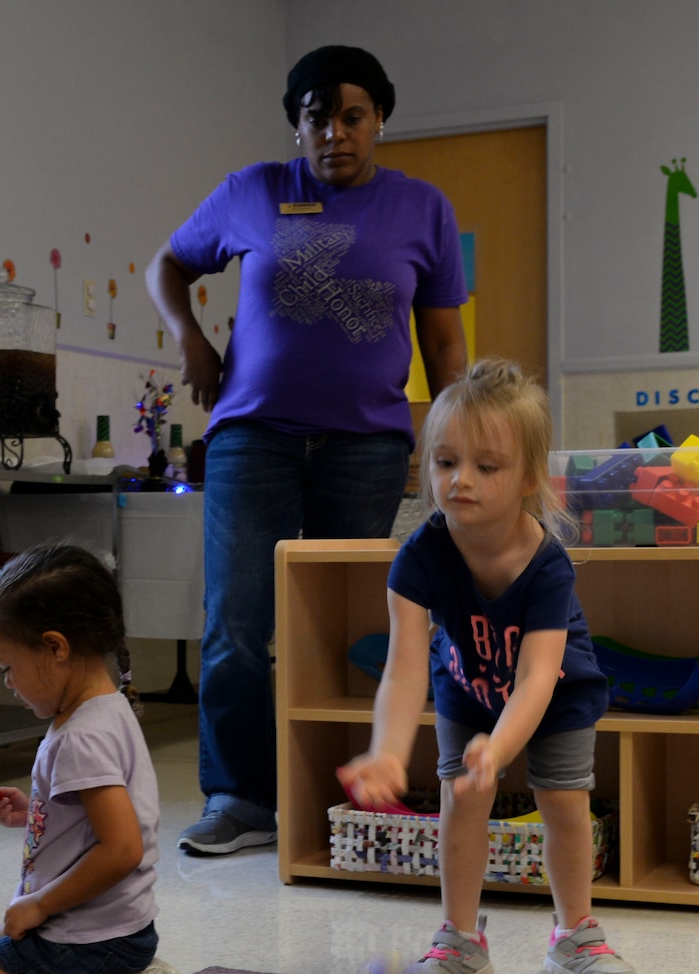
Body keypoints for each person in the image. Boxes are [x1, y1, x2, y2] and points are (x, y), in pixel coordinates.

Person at [148, 44, 469, 856]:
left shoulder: (423, 209)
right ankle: (240, 796)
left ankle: (347, 786)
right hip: (252, 439)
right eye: (316, 117)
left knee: (346, 622)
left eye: (351, 116)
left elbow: (443, 340)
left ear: (379, 120)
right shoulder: (251, 191)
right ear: (297, 125)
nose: (334, 132)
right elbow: (169, 265)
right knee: (237, 624)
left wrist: (459, 443)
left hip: (366, 444)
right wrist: (190, 338)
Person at [338, 360, 638, 974]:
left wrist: (499, 751)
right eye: (445, 463)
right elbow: (403, 666)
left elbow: (535, 676)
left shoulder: (548, 563)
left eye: (486, 466)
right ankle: (460, 940)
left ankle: (575, 934)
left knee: (562, 801)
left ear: (528, 478)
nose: (460, 480)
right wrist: (388, 752)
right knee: (463, 800)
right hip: (467, 685)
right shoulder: (419, 557)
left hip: (555, 693)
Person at [0, 544, 188, 974]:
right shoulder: (101, 709)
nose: (9, 684)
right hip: (102, 928)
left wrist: (39, 904)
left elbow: (122, 848)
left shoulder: (83, 733)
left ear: (55, 647)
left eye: (7, 667)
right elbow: (95, 816)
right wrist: (35, 811)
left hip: (84, 938)